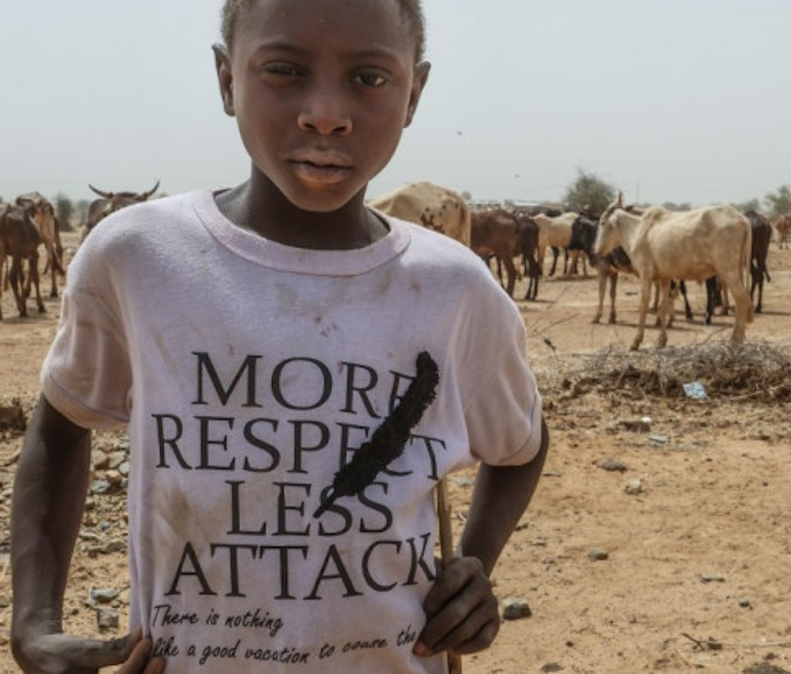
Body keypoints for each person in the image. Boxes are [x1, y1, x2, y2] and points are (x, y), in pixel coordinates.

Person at [11, 0, 548, 672]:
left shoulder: (454, 288)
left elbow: (521, 443)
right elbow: (60, 426)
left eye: (370, 78)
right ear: (226, 79)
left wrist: (473, 563)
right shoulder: (138, 258)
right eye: (285, 69)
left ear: (415, 91)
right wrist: (32, 623)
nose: (325, 112)